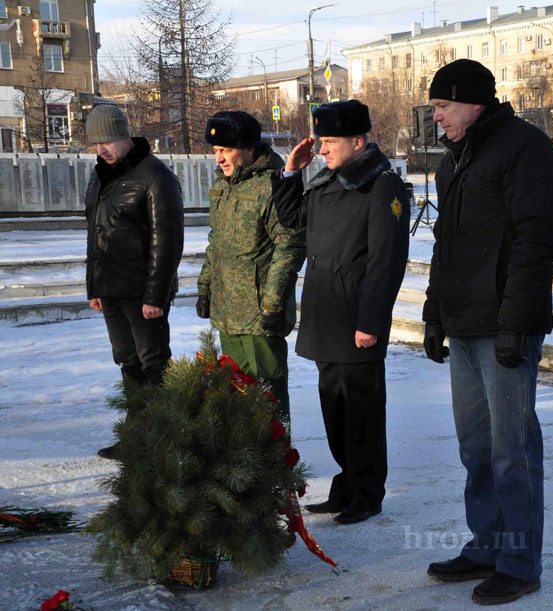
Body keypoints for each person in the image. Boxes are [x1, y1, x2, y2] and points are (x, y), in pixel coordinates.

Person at [421, 59, 553, 606]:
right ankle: (486, 544)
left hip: (507, 327)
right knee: (476, 448)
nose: (436, 119)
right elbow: (445, 248)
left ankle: (520, 561)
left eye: (442, 107)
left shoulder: (526, 149)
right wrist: (435, 314)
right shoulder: (453, 161)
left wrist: (515, 325)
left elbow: (537, 241)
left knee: (513, 450)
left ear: (471, 101)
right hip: (464, 324)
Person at [271, 100, 410, 525]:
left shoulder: (381, 186)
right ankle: (346, 485)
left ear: (358, 140)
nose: (323, 148)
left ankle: (367, 493)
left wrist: (371, 322)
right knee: (335, 408)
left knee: (363, 412)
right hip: (326, 310)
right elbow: (293, 219)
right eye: (321, 140)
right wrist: (292, 172)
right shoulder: (328, 181)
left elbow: (386, 261)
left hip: (354, 317)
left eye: (330, 141)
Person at [84, 104, 184, 460]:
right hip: (111, 289)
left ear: (125, 136)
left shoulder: (156, 175)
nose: (101, 150)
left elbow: (167, 240)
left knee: (153, 362)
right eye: (95, 144)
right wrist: (94, 287)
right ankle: (137, 436)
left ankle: (164, 440)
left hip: (144, 292)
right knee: (127, 362)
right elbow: (95, 234)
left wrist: (155, 295)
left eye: (107, 141)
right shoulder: (101, 176)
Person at [197, 111, 306, 422]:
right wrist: (206, 289)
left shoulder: (271, 185)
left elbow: (289, 246)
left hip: (260, 318)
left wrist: (272, 305)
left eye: (225, 151)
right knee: (237, 398)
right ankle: (245, 467)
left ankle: (277, 466)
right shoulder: (222, 187)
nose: (219, 159)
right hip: (228, 313)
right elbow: (215, 243)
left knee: (267, 400)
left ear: (248, 148)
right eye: (216, 151)